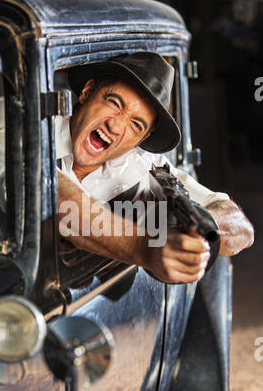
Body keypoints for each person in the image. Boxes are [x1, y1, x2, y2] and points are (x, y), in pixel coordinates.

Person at [56, 52, 254, 283]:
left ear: (142, 138)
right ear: (88, 91)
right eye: (114, 103)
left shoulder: (146, 167)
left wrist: (199, 232)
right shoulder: (24, 132)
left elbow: (242, 229)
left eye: (136, 124)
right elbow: (51, 192)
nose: (116, 126)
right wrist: (145, 246)